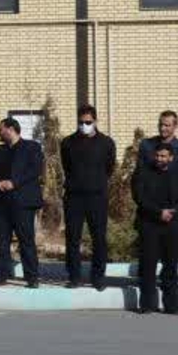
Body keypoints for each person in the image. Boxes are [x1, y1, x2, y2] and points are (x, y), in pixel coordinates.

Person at [60, 105, 117, 290]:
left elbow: (109, 168)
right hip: (74, 196)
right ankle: (74, 276)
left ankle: (98, 276)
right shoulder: (68, 142)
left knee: (99, 237)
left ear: (95, 121)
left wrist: (96, 182)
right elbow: (66, 166)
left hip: (97, 196)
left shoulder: (106, 142)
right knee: (72, 237)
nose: (84, 125)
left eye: (88, 122)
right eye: (81, 122)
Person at [0, 117, 45, 288]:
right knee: (1, 242)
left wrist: (14, 182)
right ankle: (0, 276)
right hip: (1, 204)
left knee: (26, 241)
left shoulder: (32, 147)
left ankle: (32, 278)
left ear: (11, 129)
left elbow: (35, 170)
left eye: (0, 129)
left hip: (23, 203)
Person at [132, 140, 178, 314]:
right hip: (149, 223)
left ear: (171, 158)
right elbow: (140, 197)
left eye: (163, 156)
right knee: (148, 264)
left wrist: (173, 211)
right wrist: (158, 212)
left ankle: (171, 305)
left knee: (170, 265)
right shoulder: (144, 173)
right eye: (157, 155)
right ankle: (147, 304)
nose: (159, 159)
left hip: (172, 224)